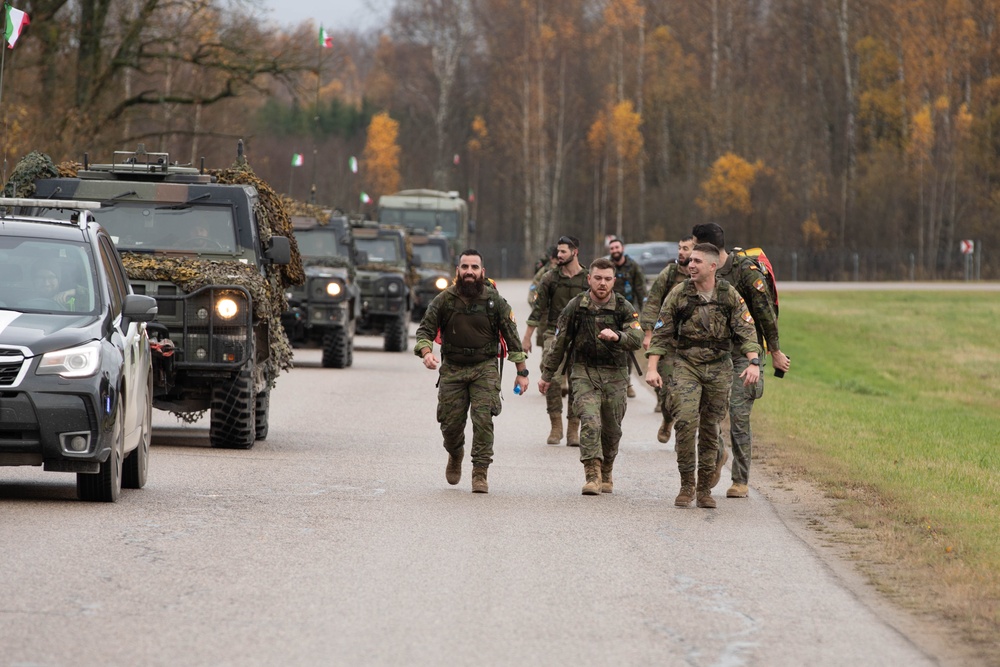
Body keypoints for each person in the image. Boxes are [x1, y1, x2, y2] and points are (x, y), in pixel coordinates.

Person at [645, 243, 762, 508]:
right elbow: (661, 333)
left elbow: (746, 330)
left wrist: (754, 362)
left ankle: (704, 488)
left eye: (697, 261)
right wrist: (652, 367)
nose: (691, 265)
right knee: (686, 421)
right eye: (690, 261)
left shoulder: (728, 294)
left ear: (713, 266)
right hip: (687, 364)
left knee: (711, 428)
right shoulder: (679, 293)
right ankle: (686, 484)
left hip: (719, 367)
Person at [414, 249, 529, 494]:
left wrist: (522, 372)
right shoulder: (444, 299)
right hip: (453, 368)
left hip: (484, 367)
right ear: (458, 271)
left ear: (482, 272)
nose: (469, 272)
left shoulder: (494, 301)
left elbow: (513, 338)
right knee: (450, 424)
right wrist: (426, 353)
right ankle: (455, 453)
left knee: (483, 419)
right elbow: (424, 330)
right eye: (464, 267)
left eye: (474, 267)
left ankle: (480, 472)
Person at [691, 223, 790, 499]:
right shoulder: (701, 272)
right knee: (707, 412)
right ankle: (719, 453)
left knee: (738, 413)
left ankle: (740, 479)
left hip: (745, 355)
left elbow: (765, 313)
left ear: (707, 247)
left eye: (695, 245)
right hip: (713, 355)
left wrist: (775, 351)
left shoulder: (744, 272)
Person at [538, 257, 643, 495]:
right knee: (590, 421)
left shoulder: (624, 307)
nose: (602, 283)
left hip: (616, 373)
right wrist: (547, 375)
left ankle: (607, 469)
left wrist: (618, 336)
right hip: (583, 371)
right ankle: (592, 475)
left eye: (607, 279)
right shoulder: (576, 306)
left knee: (612, 429)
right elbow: (560, 342)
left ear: (614, 281)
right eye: (598, 278)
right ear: (589, 279)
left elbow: (637, 339)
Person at [521, 235, 589, 446]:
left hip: (581, 335)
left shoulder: (588, 278)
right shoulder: (550, 278)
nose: (558, 255)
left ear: (574, 252)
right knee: (553, 379)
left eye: (563, 252)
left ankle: (572, 430)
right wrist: (527, 337)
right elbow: (537, 309)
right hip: (554, 333)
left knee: (578, 382)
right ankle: (556, 425)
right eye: (558, 252)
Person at [640, 235, 695, 443]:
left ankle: (684, 437)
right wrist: (648, 334)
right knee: (665, 392)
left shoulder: (703, 276)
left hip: (693, 346)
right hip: (668, 343)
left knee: (688, 394)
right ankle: (667, 419)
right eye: (680, 248)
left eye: (686, 248)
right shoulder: (669, 273)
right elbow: (653, 302)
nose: (681, 252)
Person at [607, 236, 647, 399]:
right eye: (612, 249)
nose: (615, 251)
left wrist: (642, 315)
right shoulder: (607, 267)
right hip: (609, 312)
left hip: (629, 314)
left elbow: (641, 291)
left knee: (628, 348)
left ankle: (628, 382)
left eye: (617, 247)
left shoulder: (634, 267)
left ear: (622, 249)